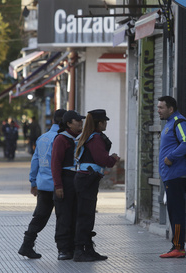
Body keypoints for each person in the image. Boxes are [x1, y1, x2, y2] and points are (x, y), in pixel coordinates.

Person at [18, 109, 66, 259]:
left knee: (39, 217)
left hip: (43, 184)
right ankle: (63, 250)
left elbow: (35, 161)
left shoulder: (42, 138)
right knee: (63, 218)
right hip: (59, 186)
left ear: (53, 121)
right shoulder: (63, 139)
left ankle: (26, 245)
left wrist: (33, 182)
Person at [73, 109, 120, 262]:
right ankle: (80, 251)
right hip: (87, 180)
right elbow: (102, 160)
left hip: (85, 179)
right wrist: (113, 159)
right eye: (104, 121)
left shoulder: (88, 136)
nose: (106, 124)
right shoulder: (96, 138)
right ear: (100, 123)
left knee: (87, 215)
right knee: (85, 216)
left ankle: (88, 248)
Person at [157, 96, 186, 258]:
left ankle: (178, 247)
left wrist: (171, 157)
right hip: (170, 175)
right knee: (173, 210)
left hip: (177, 175)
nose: (158, 110)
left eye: (161, 108)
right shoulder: (169, 123)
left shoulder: (179, 122)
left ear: (170, 109)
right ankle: (176, 246)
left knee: (177, 211)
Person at [51, 110, 85, 261]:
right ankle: (63, 249)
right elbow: (55, 164)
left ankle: (76, 246)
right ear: (69, 123)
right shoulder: (61, 139)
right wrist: (58, 185)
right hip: (66, 180)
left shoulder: (82, 138)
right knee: (64, 215)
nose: (81, 123)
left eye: (81, 121)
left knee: (78, 214)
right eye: (77, 121)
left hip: (79, 179)